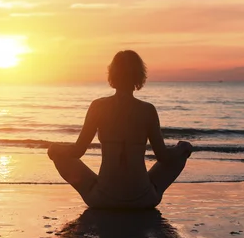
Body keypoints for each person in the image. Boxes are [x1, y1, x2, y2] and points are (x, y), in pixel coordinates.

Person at [47, 50, 192, 209]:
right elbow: (163, 156)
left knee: (60, 156)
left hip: (103, 198)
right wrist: (181, 149)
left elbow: (77, 151)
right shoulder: (147, 110)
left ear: (112, 74)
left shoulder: (98, 106)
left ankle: (103, 188)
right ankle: (149, 187)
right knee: (181, 153)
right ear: (139, 76)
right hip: (143, 199)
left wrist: (56, 148)